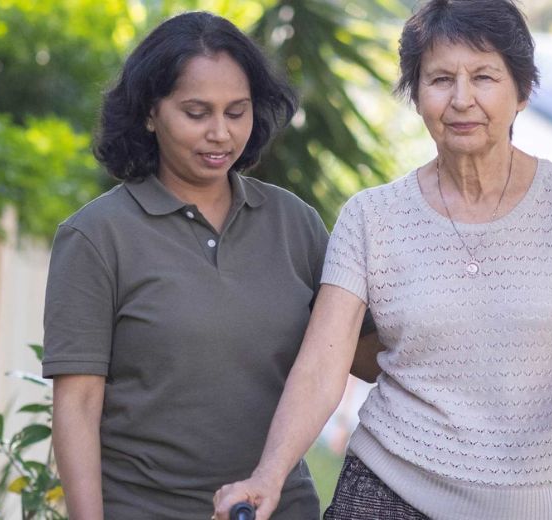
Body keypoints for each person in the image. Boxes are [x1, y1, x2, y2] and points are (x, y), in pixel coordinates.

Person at [214, 1, 552, 519]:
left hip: (541, 497)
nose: (462, 100)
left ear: (522, 91)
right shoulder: (372, 217)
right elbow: (323, 365)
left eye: (484, 77)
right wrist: (269, 474)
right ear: (416, 96)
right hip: (390, 488)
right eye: (440, 79)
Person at [43, 12, 377, 519]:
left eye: (236, 112)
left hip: (278, 509)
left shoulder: (294, 223)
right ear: (150, 113)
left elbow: (364, 357)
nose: (220, 133)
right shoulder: (96, 237)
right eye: (197, 113)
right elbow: (77, 407)